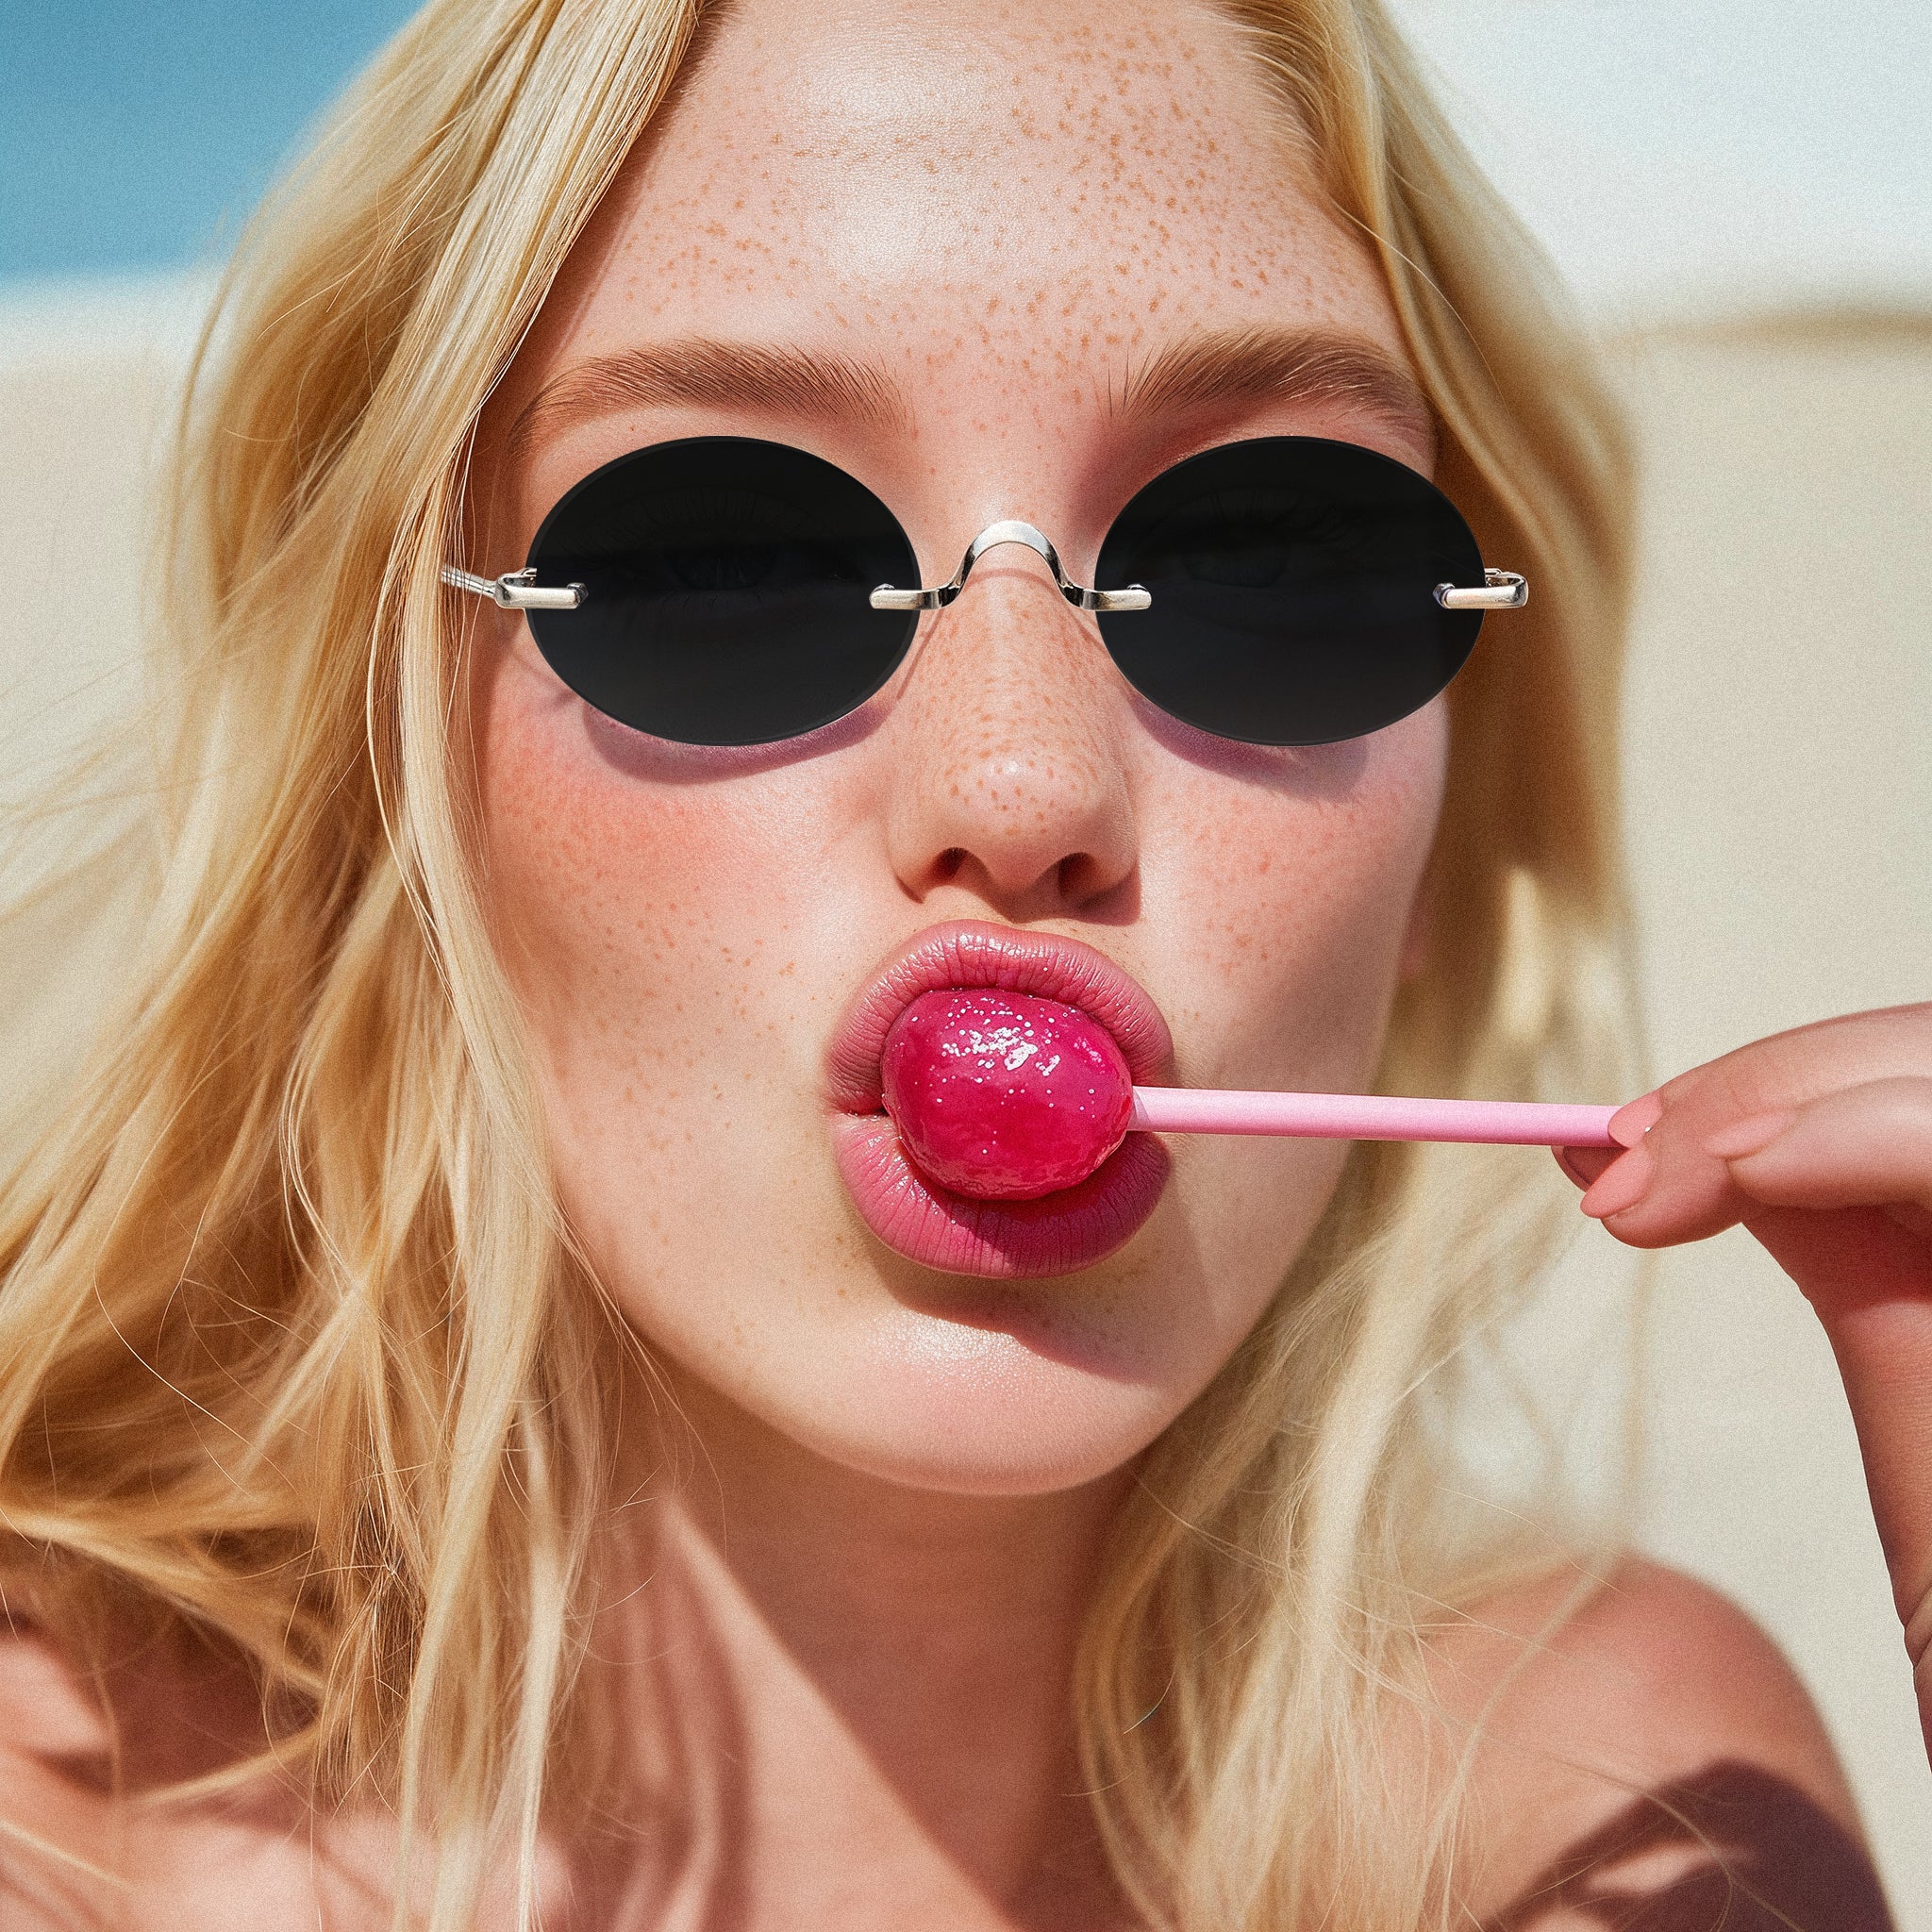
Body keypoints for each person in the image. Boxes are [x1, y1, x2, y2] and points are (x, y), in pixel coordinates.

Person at [0, 0, 1923, 1924]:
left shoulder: (1625, 1811)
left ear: (1441, 819)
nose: (1021, 785)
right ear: (391, 767)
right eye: (728, 561)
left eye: (1271, 563)